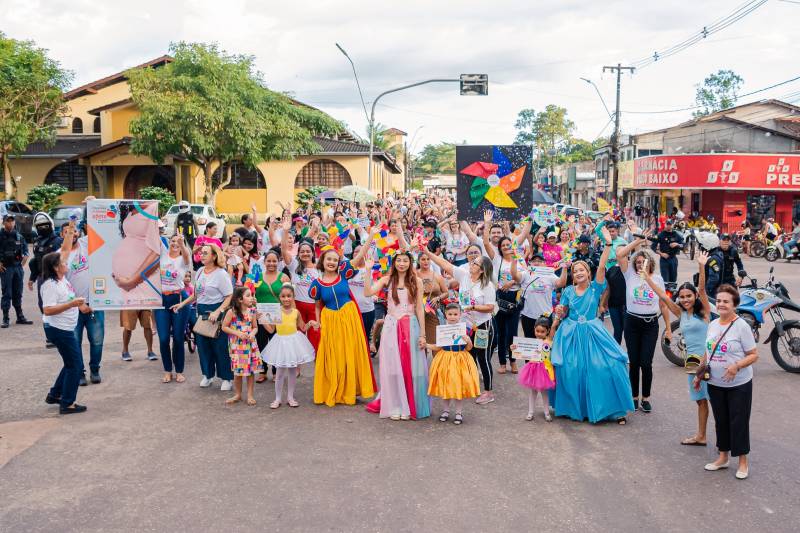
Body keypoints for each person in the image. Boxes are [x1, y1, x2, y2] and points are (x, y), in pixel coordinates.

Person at [550, 225, 634, 424]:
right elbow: (562, 311)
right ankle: (575, 408)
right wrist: (558, 316)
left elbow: (602, 266)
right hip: (570, 333)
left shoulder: (595, 288)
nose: (578, 273)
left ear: (588, 273)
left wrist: (607, 244)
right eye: (575, 271)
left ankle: (611, 408)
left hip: (593, 332)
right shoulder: (568, 291)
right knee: (570, 369)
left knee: (608, 366)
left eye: (582, 270)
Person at [643, 251, 712, 446]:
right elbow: (662, 296)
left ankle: (724, 441)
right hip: (692, 361)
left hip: (708, 360)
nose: (685, 299)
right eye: (682, 297)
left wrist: (701, 266)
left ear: (695, 296)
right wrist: (647, 278)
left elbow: (702, 288)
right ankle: (701, 436)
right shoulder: (681, 313)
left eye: (689, 296)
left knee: (716, 399)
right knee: (700, 400)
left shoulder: (704, 312)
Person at [694, 284, 758, 480]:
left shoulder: (742, 326)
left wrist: (736, 366)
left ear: (734, 305)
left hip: (739, 384)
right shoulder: (713, 324)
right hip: (715, 383)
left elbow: (754, 354)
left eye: (726, 302)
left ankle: (743, 462)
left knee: (738, 422)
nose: (721, 304)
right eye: (719, 300)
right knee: (721, 421)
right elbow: (708, 351)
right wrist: (699, 373)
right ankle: (723, 457)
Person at [422, 247, 497, 405]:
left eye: (475, 263)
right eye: (472, 262)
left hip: (483, 326)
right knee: (469, 356)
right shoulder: (464, 275)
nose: (471, 263)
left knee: (483, 358)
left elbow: (490, 307)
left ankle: (489, 392)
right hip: (466, 326)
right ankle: (472, 386)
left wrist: (473, 307)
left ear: (482, 270)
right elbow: (444, 263)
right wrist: (428, 253)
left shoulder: (487, 286)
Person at [363, 251, 430, 420]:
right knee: (392, 366)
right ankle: (395, 404)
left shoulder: (417, 281)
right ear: (394, 263)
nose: (401, 263)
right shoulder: (387, 280)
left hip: (410, 326)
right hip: (391, 326)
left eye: (405, 260)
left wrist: (423, 334)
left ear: (410, 263)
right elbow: (368, 292)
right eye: (398, 260)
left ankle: (408, 404)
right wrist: (368, 270)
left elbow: (419, 308)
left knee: (411, 367)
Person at [308, 248, 376, 406]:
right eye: (329, 259)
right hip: (330, 320)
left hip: (349, 317)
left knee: (350, 353)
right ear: (322, 261)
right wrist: (317, 322)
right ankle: (336, 388)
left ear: (339, 263)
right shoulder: (317, 284)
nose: (331, 262)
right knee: (334, 356)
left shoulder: (344, 274)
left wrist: (371, 236)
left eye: (335, 260)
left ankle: (351, 389)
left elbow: (359, 256)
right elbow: (317, 305)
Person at [616, 234, 670, 413]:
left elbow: (663, 304)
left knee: (646, 363)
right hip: (631, 323)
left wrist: (669, 329)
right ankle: (633, 397)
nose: (640, 264)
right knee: (634, 362)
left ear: (650, 263)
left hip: (650, 324)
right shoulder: (629, 275)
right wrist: (639, 241)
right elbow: (620, 255)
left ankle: (646, 397)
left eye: (643, 262)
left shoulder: (658, 279)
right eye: (637, 262)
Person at [171, 244, 234, 391]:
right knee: (203, 346)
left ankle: (226, 378)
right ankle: (207, 375)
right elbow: (196, 294)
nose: (202, 255)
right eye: (201, 253)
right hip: (202, 312)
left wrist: (218, 312)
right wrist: (182, 304)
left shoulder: (221, 274)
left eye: (205, 253)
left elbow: (229, 296)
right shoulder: (199, 271)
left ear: (214, 256)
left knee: (220, 347)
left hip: (217, 312)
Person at [40, 251, 87, 414]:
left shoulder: (62, 280)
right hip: (59, 330)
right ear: (55, 267)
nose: (67, 264)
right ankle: (67, 403)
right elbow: (47, 309)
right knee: (76, 365)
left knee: (70, 363)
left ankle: (55, 394)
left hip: (64, 328)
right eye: (63, 263)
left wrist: (80, 305)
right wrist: (71, 304)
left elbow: (69, 298)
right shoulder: (50, 285)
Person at [59, 221, 105, 385]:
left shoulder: (86, 244)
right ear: (61, 235)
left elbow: (99, 226)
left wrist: (92, 208)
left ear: (79, 232)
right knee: (75, 343)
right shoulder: (59, 256)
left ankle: (95, 369)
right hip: (72, 309)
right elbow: (60, 286)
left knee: (97, 341)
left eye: (74, 231)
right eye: (67, 232)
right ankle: (79, 372)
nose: (71, 234)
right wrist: (78, 304)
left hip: (94, 305)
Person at [260, 284, 317, 408]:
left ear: (293, 297)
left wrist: (310, 323)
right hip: (280, 343)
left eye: (289, 296)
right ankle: (278, 398)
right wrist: (263, 320)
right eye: (283, 296)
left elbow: (303, 327)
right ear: (279, 297)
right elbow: (271, 330)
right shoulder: (277, 312)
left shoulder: (296, 312)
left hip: (293, 343)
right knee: (280, 372)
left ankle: (290, 397)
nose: (286, 299)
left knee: (292, 372)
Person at [425, 303, 480, 425]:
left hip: (460, 359)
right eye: (450, 314)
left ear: (460, 315)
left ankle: (458, 412)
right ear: (445, 315)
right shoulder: (442, 330)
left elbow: (469, 348)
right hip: (445, 359)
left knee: (457, 386)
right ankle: (446, 410)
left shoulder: (464, 329)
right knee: (446, 385)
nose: (453, 317)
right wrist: (426, 345)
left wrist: (468, 341)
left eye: (455, 314)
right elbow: (438, 347)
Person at [154, 233, 191, 383]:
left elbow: (187, 255)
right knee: (163, 339)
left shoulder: (183, 259)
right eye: (173, 241)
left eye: (179, 242)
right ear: (168, 242)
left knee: (177, 338)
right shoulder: (163, 253)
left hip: (179, 299)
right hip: (162, 300)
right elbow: (154, 234)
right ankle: (167, 370)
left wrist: (182, 244)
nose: (175, 243)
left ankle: (179, 371)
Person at [485, 235, 523, 374]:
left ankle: (513, 361)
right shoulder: (497, 260)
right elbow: (486, 243)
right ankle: (502, 363)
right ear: (500, 249)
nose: (506, 247)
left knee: (513, 332)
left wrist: (511, 282)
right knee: (501, 332)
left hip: (514, 297)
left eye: (508, 244)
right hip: (500, 297)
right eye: (503, 245)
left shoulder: (520, 260)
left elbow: (525, 276)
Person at [281, 219, 321, 350]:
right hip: (297, 306)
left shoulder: (319, 268)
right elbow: (284, 251)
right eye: (302, 251)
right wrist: (285, 231)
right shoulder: (294, 265)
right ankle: (298, 363)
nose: (305, 253)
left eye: (308, 251)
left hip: (314, 307)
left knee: (316, 337)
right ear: (298, 253)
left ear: (313, 253)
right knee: (297, 337)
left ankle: (317, 362)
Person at [221, 286, 262, 406]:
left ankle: (250, 395)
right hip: (237, 347)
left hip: (250, 346)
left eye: (252, 295)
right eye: (248, 295)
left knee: (250, 372)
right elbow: (224, 327)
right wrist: (237, 333)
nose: (251, 298)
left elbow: (255, 327)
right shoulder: (232, 312)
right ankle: (238, 394)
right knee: (238, 372)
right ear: (239, 299)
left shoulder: (252, 311)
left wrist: (252, 334)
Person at [515, 316, 556, 422]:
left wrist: (557, 317)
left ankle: (547, 413)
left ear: (547, 331)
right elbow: (519, 350)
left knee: (544, 393)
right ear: (534, 329)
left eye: (542, 331)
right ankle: (530, 412)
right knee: (533, 392)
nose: (539, 333)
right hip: (533, 369)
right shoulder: (531, 343)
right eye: (537, 331)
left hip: (544, 371)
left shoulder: (549, 341)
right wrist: (513, 348)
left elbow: (554, 327)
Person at [0, 214, 32, 328]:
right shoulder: (0, 235)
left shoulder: (19, 236)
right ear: (4, 223)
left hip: (17, 268)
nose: (10, 223)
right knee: (7, 293)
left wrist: (26, 256)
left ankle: (20, 316)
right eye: (8, 221)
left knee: (18, 292)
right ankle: (5, 318)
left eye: (12, 221)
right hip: (6, 268)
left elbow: (25, 249)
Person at [28, 212, 63, 316]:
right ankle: (47, 323)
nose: (43, 228)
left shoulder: (58, 241)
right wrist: (32, 278)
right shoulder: (37, 242)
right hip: (41, 277)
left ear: (51, 225)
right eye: (40, 226)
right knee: (43, 305)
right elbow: (36, 261)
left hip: (55, 278)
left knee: (56, 303)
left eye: (45, 225)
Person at [653, 218, 683, 284]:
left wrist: (677, 244)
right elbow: (653, 246)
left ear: (672, 225)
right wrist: (661, 253)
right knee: (665, 281)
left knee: (673, 280)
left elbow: (683, 245)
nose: (669, 226)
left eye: (670, 224)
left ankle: (672, 290)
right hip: (664, 260)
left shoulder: (676, 234)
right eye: (667, 224)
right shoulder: (661, 235)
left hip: (673, 259)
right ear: (665, 224)